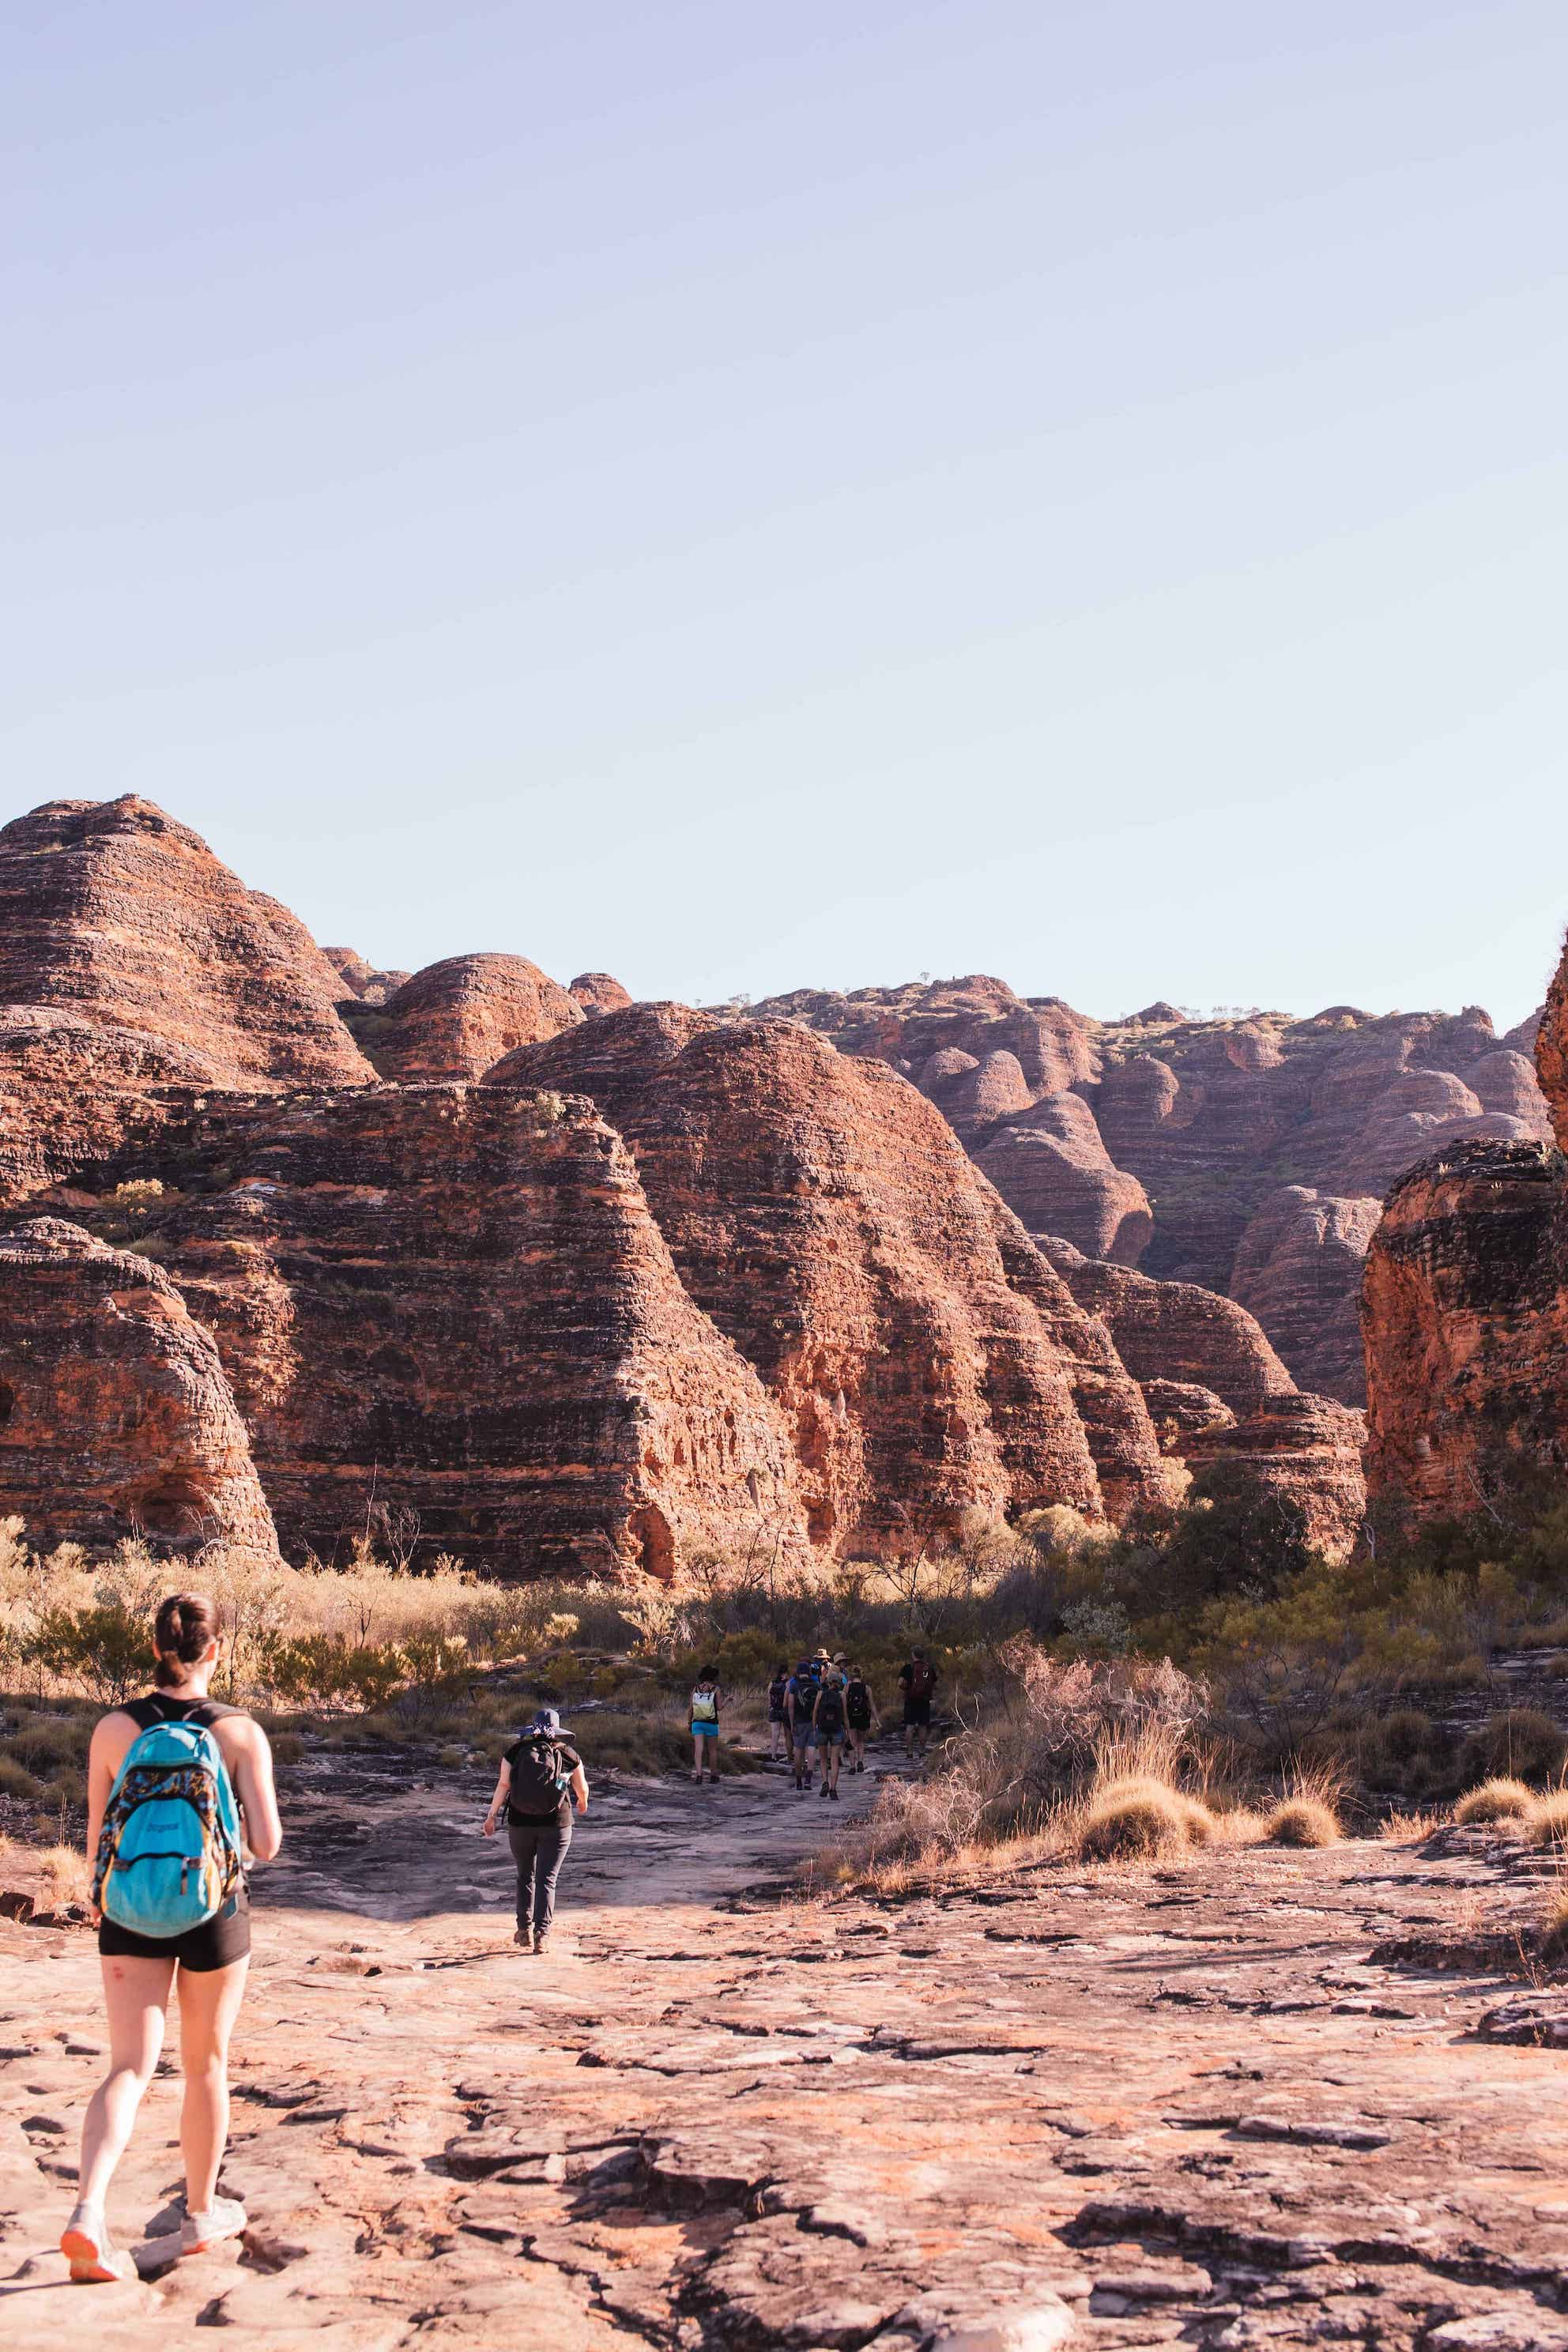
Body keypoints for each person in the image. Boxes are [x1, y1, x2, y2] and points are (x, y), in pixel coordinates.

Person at [61, 1592, 282, 2286]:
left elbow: (98, 1840)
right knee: (205, 2065)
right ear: (214, 1650)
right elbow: (267, 1844)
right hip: (214, 1909)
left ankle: (88, 2212)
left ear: (156, 1648)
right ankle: (199, 2212)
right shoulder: (240, 1732)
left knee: (128, 2065)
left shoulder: (111, 1730)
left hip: (128, 1908)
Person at [484, 1709, 587, 1954]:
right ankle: (542, 1934)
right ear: (557, 1730)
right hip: (557, 1824)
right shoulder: (569, 1754)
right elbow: (581, 1788)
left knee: (524, 1876)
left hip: (520, 1824)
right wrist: (582, 1802)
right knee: (546, 1879)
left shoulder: (515, 1752)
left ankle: (523, 1930)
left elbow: (503, 1785)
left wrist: (491, 1816)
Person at [899, 1645, 939, 1760]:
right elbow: (934, 1683)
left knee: (910, 1726)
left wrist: (907, 1689)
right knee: (923, 1726)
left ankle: (910, 1753)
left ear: (913, 1655)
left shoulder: (908, 1668)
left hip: (910, 1700)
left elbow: (900, 1683)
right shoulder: (929, 1668)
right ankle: (922, 1752)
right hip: (924, 1700)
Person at [813, 1669, 848, 1800]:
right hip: (837, 1730)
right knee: (834, 1761)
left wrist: (814, 1729)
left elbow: (815, 1712)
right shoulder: (842, 1695)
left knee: (823, 1759)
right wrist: (848, 1732)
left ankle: (825, 1782)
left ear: (828, 1682)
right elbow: (845, 1716)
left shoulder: (820, 1693)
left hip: (822, 1729)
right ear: (838, 1683)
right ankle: (833, 1789)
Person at [787, 1657, 820, 1792]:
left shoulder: (794, 1685)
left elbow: (790, 1706)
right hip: (813, 1722)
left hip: (799, 1722)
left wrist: (791, 1723)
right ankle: (808, 1779)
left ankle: (799, 1781)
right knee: (811, 1749)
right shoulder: (816, 1684)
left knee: (798, 1750)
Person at [688, 1664, 722, 1783]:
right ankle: (713, 1776)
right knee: (712, 1750)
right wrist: (728, 1700)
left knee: (699, 1749)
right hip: (711, 1723)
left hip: (697, 1723)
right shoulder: (716, 1689)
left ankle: (699, 1776)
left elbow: (691, 1708)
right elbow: (719, 1708)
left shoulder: (696, 1688)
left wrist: (689, 1722)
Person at [844, 1664, 880, 1773]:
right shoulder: (867, 1688)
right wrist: (877, 1720)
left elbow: (843, 1702)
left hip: (851, 1717)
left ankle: (852, 1766)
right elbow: (872, 1705)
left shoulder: (847, 1687)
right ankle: (860, 1762)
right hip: (863, 1716)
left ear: (852, 1675)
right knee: (861, 1741)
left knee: (852, 1741)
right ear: (861, 1675)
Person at [766, 1664, 791, 1766]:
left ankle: (773, 1756)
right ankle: (789, 1755)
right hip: (785, 1710)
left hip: (774, 1710)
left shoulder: (772, 1683)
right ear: (786, 1673)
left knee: (775, 1734)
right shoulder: (788, 1683)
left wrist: (770, 1707)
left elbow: (769, 1696)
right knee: (787, 1735)